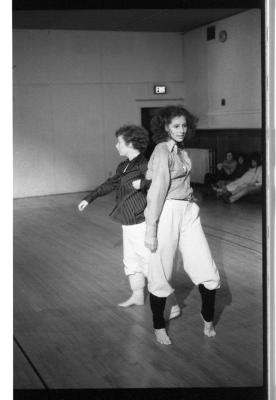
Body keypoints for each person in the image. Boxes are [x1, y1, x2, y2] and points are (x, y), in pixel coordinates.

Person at [141, 105, 221, 345]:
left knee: (207, 269)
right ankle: (158, 326)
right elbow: (156, 192)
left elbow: (183, 182)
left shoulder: (182, 151)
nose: (181, 130)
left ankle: (207, 318)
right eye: (176, 126)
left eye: (184, 125)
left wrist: (190, 199)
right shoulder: (161, 150)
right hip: (167, 213)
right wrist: (151, 230)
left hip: (188, 211)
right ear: (165, 127)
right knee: (161, 272)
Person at [78, 125, 150, 307]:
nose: (116, 146)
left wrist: (143, 183)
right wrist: (90, 197)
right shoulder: (124, 166)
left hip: (141, 221)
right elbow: (111, 184)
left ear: (131, 143)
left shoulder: (144, 164)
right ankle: (137, 295)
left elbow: (159, 181)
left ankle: (170, 303)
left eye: (119, 142)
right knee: (131, 261)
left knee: (149, 263)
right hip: (127, 220)